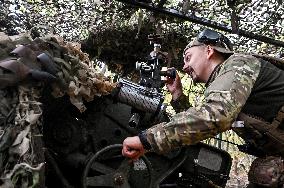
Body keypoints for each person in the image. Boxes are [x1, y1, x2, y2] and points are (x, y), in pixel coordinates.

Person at [122, 28, 284, 187]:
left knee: (268, 173)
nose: (184, 68)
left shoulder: (239, 64)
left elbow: (216, 117)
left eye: (188, 58)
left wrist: (147, 140)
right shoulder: (228, 87)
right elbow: (207, 124)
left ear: (208, 51)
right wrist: (178, 94)